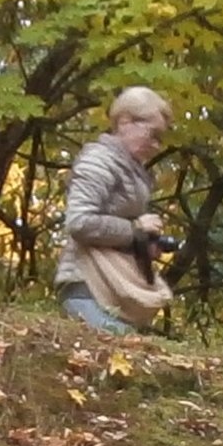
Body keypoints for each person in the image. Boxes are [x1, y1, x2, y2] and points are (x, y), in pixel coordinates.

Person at [56, 85, 175, 332]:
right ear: (125, 121)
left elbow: (113, 228)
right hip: (86, 287)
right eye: (152, 134)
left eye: (160, 139)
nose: (156, 145)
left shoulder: (128, 168)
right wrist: (136, 228)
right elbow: (79, 222)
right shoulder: (99, 160)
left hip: (110, 289)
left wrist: (142, 244)